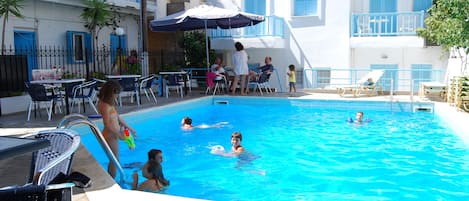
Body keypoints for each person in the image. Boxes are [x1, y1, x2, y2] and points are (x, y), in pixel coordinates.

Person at [97, 80, 137, 178]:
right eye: (116, 94)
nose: (117, 96)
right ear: (111, 92)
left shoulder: (110, 104)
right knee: (114, 160)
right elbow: (106, 124)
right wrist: (119, 134)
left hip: (114, 134)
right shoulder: (104, 105)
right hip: (109, 136)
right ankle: (112, 180)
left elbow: (118, 117)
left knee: (115, 160)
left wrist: (130, 128)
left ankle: (111, 179)